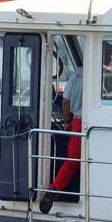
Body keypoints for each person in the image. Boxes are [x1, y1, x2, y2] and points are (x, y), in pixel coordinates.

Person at [39, 64, 83, 214]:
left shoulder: (76, 74)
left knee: (73, 160)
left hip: (76, 121)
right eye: (108, 51)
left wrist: (67, 122)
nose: (110, 55)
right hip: (91, 121)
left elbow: (65, 101)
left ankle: (54, 190)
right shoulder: (104, 74)